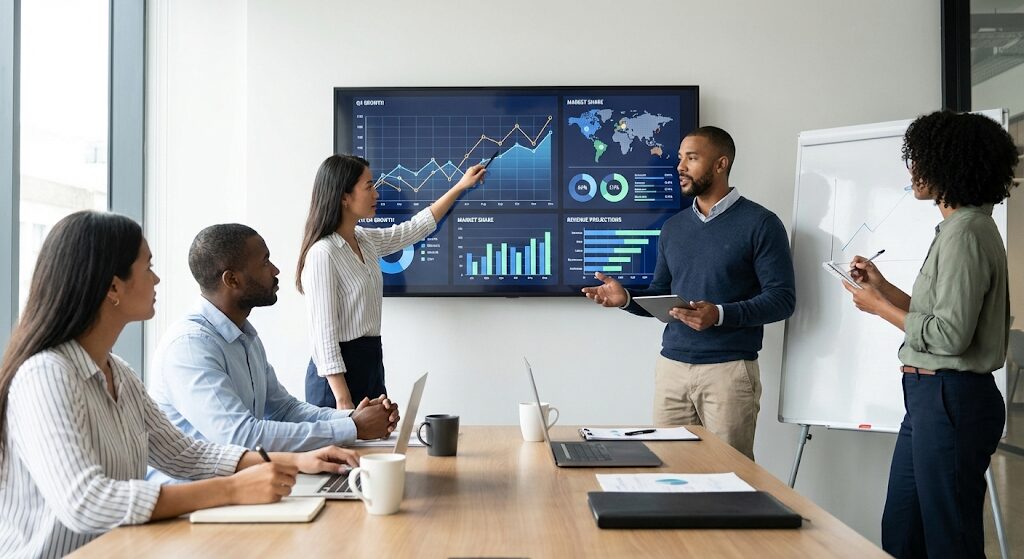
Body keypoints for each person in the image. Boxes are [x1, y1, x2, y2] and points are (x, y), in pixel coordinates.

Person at [0, 211, 359, 558]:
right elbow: (86, 502)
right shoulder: (46, 375)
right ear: (113, 287)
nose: (156, 280)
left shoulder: (118, 372)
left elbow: (186, 454)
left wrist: (296, 461)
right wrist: (231, 489)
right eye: (148, 268)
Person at [843, 111, 1016, 558]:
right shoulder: (959, 229)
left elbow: (950, 335)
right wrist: (881, 287)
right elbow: (936, 315)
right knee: (904, 532)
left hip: (951, 397)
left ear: (950, 164)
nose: (913, 171)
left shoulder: (967, 232)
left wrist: (877, 308)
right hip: (930, 397)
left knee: (948, 541)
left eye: (920, 159)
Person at [582, 126, 795, 460]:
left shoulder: (761, 223)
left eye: (691, 158)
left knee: (731, 473)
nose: (680, 166)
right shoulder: (673, 228)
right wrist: (627, 299)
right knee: (668, 469)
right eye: (680, 158)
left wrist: (720, 314)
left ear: (721, 164)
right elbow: (661, 293)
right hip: (672, 369)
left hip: (728, 372)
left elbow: (782, 299)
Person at [150, 224, 399, 476]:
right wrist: (353, 428)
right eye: (265, 261)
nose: (275, 270)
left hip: (241, 486)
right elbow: (241, 436)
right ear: (232, 279)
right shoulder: (190, 347)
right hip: (197, 500)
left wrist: (353, 418)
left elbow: (284, 410)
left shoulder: (244, 335)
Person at [297, 154, 486, 409]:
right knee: (344, 450)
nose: (376, 194)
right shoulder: (323, 254)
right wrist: (343, 401)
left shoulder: (364, 239)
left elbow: (415, 229)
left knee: (376, 448)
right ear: (344, 196)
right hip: (337, 384)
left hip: (371, 365)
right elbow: (323, 337)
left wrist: (460, 186)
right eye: (369, 186)